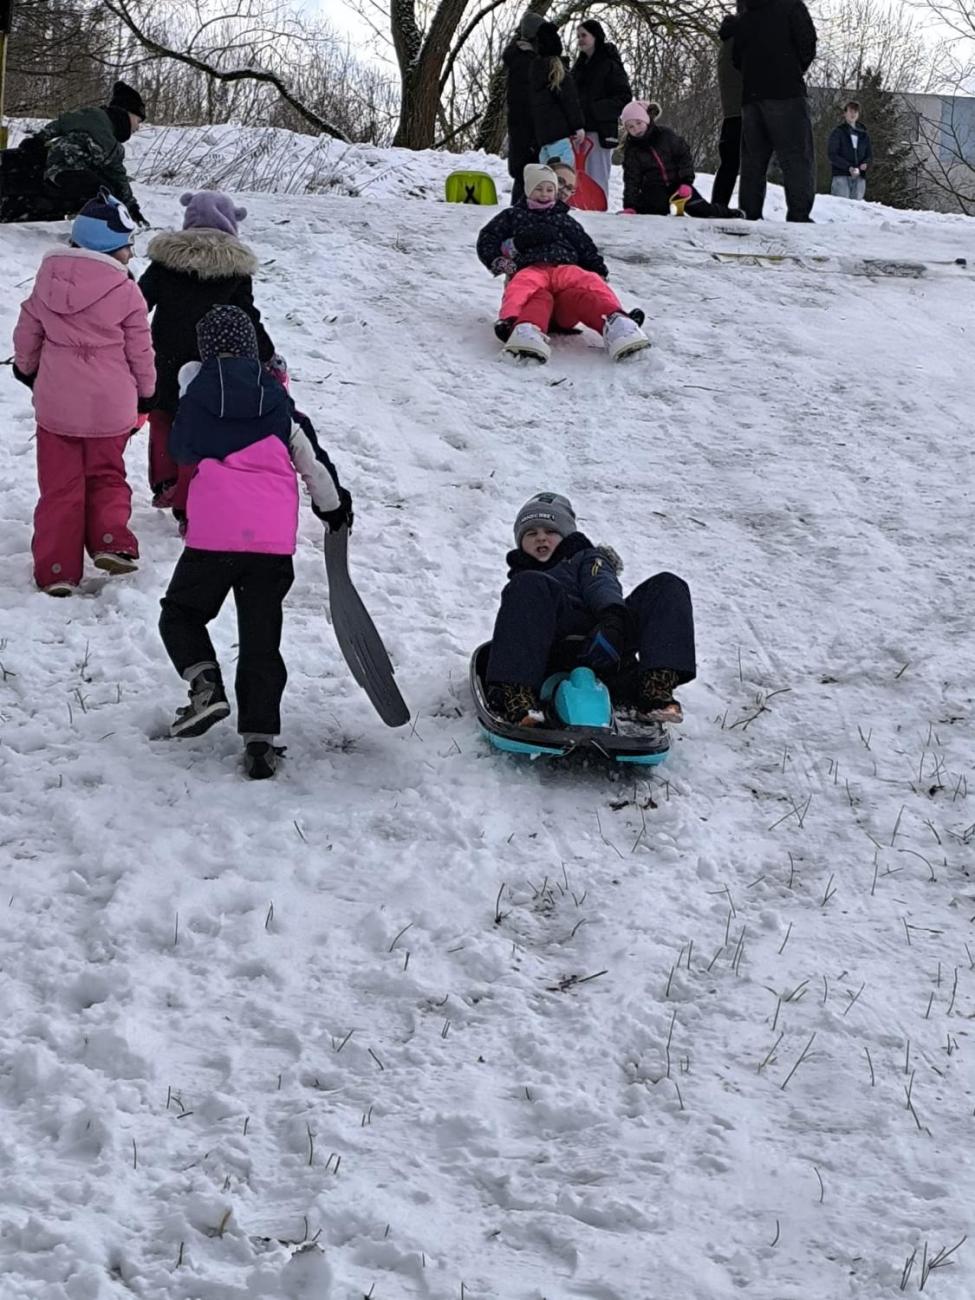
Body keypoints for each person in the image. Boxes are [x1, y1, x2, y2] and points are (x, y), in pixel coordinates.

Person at [158, 305, 353, 780]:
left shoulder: (197, 399)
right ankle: (261, 741)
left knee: (181, 613)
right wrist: (333, 510)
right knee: (261, 639)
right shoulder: (279, 404)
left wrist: (190, 395)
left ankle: (205, 683)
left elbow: (180, 451)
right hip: (269, 544)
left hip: (214, 539)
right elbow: (314, 466)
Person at [11, 190, 155, 596]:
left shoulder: (46, 281)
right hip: (110, 406)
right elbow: (140, 351)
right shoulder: (128, 292)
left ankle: (57, 568)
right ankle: (112, 542)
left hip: (57, 405)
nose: (130, 253)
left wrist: (27, 369)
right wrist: (147, 393)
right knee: (108, 475)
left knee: (60, 487)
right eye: (128, 244)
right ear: (112, 246)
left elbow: (27, 333)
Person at [484, 493, 696, 728]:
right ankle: (517, 696)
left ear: (566, 535)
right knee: (529, 583)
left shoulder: (586, 558)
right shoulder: (524, 580)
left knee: (667, 586)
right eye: (531, 533)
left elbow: (600, 583)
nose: (541, 538)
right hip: (547, 659)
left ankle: (655, 688)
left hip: (606, 645)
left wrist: (613, 618)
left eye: (551, 532)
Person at [138, 190, 277, 517]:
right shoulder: (235, 269)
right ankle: (191, 487)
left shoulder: (164, 262)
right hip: (214, 359)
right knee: (201, 421)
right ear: (231, 224)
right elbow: (247, 315)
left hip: (166, 354)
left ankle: (165, 479)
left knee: (161, 414)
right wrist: (266, 354)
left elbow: (138, 302)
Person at [476, 163, 649, 363]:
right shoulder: (513, 216)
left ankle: (619, 321)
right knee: (527, 290)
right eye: (539, 189)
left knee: (587, 287)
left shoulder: (564, 220)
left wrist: (597, 268)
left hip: (564, 278)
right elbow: (488, 239)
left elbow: (585, 246)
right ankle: (515, 325)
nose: (544, 194)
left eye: (550, 190)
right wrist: (499, 260)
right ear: (528, 190)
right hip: (533, 272)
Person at [1, 82, 148, 226]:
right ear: (127, 113)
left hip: (59, 171)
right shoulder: (97, 121)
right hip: (60, 167)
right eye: (138, 120)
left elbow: (119, 177)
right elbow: (61, 123)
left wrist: (132, 206)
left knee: (102, 190)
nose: (138, 127)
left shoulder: (111, 142)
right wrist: (38, 140)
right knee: (102, 192)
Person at [733, 0, 817, 222]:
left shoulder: (746, 14)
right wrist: (793, 68)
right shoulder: (791, 6)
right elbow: (807, 42)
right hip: (786, 91)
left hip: (752, 95)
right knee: (797, 157)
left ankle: (749, 213)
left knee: (753, 160)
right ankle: (799, 215)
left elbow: (736, 57)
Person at [620, 101, 743, 218]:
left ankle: (731, 214)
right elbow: (631, 179)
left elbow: (684, 157)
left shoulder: (665, 136)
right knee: (654, 212)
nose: (636, 129)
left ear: (647, 120)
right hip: (654, 189)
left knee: (702, 211)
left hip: (678, 184)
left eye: (638, 123)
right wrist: (630, 206)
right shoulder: (632, 150)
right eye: (630, 127)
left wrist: (686, 182)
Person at [571, 19, 632, 203]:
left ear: (595, 36)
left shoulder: (610, 64)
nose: (580, 40)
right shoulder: (578, 67)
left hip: (600, 131)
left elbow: (623, 97)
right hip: (578, 130)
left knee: (597, 177)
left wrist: (594, 109)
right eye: (578, 36)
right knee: (575, 177)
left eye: (584, 35)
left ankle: (599, 212)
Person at [503, 11, 545, 204]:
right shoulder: (525, 61)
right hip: (527, 128)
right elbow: (526, 99)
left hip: (523, 127)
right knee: (527, 175)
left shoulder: (524, 58)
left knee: (525, 174)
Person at [529, 22, 585, 167]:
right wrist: (578, 126)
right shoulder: (558, 72)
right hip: (560, 137)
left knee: (548, 178)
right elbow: (569, 101)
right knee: (564, 177)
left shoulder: (534, 72)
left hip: (542, 139)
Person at [712, 6, 744, 207]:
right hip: (743, 111)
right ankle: (722, 204)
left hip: (730, 112)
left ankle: (718, 202)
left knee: (728, 163)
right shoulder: (739, 45)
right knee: (741, 163)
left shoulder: (725, 46)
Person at [828, 101, 873, 200]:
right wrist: (848, 167)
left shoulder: (864, 134)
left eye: (855, 112)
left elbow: (869, 155)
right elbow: (832, 155)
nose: (853, 114)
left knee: (856, 209)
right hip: (841, 176)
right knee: (841, 206)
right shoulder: (838, 132)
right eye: (851, 111)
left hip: (859, 177)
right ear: (845, 113)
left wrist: (865, 163)